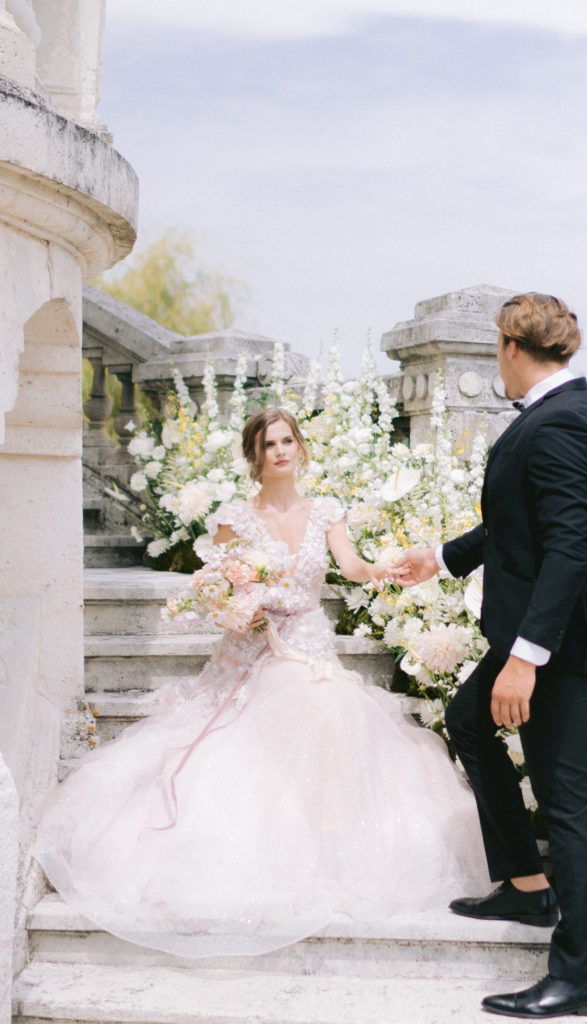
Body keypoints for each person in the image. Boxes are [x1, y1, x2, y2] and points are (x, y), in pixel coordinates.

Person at [34, 407, 488, 958]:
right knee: (272, 717)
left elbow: (349, 565)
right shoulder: (234, 517)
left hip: (308, 643)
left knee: (329, 707)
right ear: (255, 455)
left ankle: (336, 848)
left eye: (288, 440)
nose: (280, 450)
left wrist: (380, 570)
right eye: (269, 443)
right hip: (252, 646)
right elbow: (212, 588)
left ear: (300, 448)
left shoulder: (325, 511)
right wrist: (233, 609)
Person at [393, 293, 587, 1019]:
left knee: (565, 802)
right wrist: (437, 557)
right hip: (534, 631)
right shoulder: (557, 417)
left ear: (513, 348)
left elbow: (567, 551)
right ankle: (526, 888)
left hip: (549, 640)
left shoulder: (558, 427)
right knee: (468, 720)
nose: (497, 359)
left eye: (496, 347)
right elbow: (514, 526)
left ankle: (581, 977)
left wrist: (526, 658)